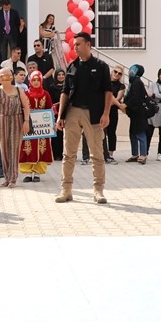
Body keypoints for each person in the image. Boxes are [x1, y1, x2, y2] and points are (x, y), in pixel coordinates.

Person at [55, 32, 115, 204]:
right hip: (73, 112)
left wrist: (106, 113)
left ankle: (98, 191)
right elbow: (65, 92)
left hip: (94, 114)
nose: (75, 47)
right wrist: (60, 115)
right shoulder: (72, 66)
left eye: (78, 44)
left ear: (88, 45)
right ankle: (66, 190)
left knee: (97, 154)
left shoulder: (101, 66)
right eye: (74, 45)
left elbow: (108, 92)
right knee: (69, 154)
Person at [0, 58, 29, 189]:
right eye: (2, 76)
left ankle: (13, 178)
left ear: (11, 77)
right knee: (4, 149)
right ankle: (6, 177)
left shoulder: (18, 90)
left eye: (7, 76)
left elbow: (26, 106)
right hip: (2, 119)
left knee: (14, 149)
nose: (5, 78)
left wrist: (26, 121)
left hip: (16, 120)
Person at [19, 70, 53, 182]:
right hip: (29, 125)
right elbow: (22, 108)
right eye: (34, 80)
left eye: (38, 80)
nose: (36, 82)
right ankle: (28, 173)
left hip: (42, 128)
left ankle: (37, 173)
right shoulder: (26, 94)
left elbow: (49, 109)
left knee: (41, 148)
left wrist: (51, 123)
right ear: (30, 81)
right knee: (28, 148)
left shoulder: (46, 94)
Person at [121, 65, 149, 163]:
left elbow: (135, 97)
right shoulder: (133, 82)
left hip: (139, 112)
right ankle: (135, 154)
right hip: (134, 112)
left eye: (133, 70)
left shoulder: (137, 82)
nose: (131, 71)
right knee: (133, 133)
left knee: (140, 133)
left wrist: (126, 104)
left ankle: (143, 155)